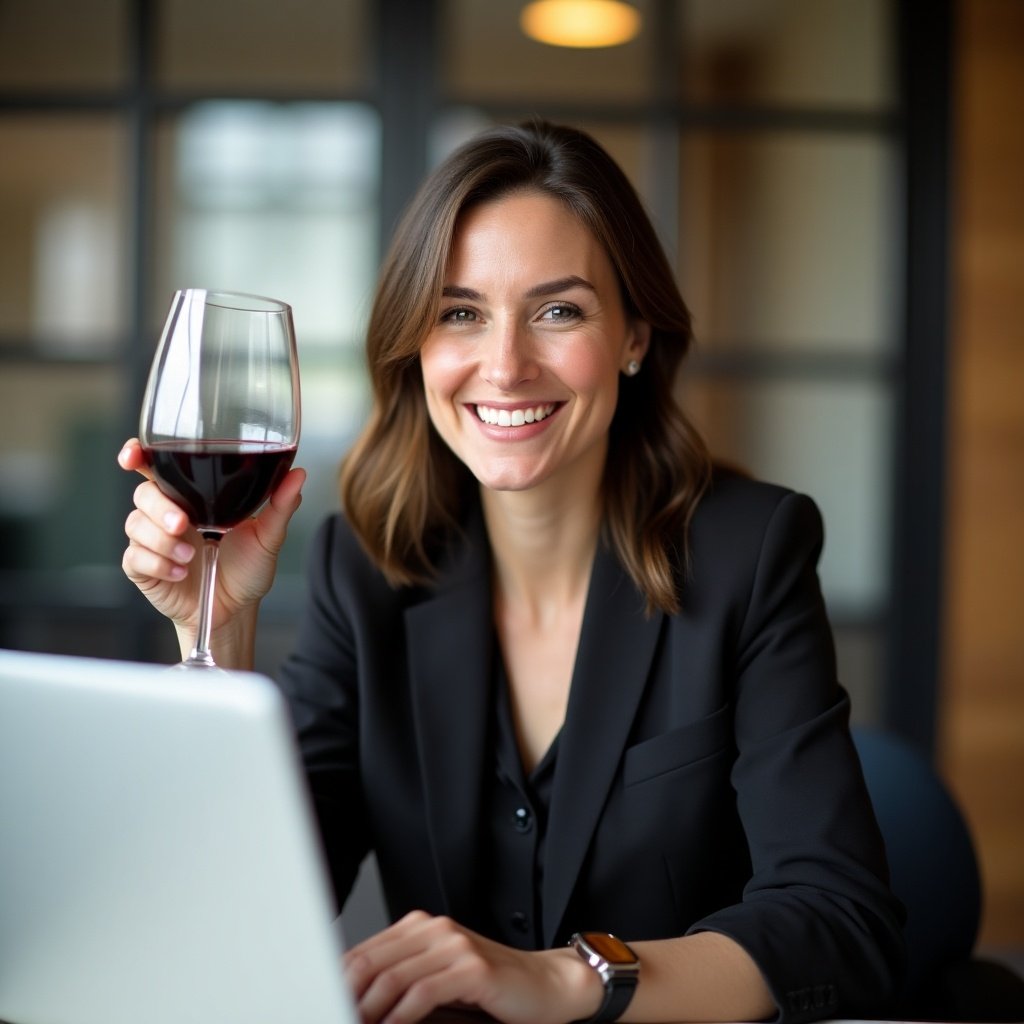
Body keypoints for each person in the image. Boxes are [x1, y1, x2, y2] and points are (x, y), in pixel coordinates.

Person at [119, 120, 905, 1024]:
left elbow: (841, 924)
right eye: (461, 313)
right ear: (416, 347)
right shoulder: (366, 568)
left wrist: (566, 977)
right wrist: (217, 637)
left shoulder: (749, 554)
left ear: (636, 335)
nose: (504, 365)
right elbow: (245, 914)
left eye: (558, 310)